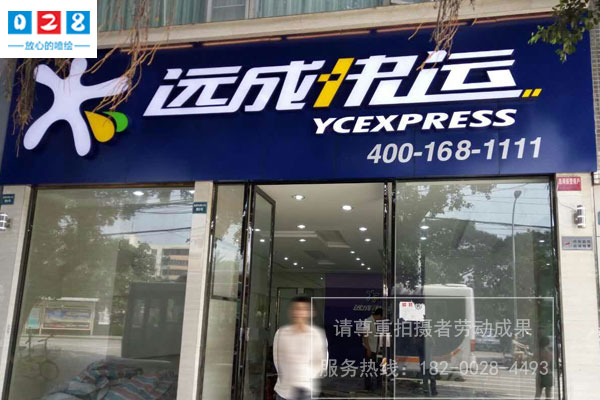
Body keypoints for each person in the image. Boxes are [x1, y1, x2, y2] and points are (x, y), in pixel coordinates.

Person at [273, 296, 328, 400]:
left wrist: (304, 377)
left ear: (311, 312)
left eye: (304, 309)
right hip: (284, 392)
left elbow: (322, 363)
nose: (300, 313)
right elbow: (277, 361)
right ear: (291, 311)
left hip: (307, 391)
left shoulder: (317, 335)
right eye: (297, 309)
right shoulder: (281, 333)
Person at [362, 308, 383, 391]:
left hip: (377, 349)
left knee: (378, 368)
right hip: (370, 348)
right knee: (368, 368)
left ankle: (379, 385)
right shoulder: (367, 321)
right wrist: (368, 349)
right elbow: (365, 336)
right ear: (379, 315)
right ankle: (367, 386)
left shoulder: (377, 322)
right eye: (381, 317)